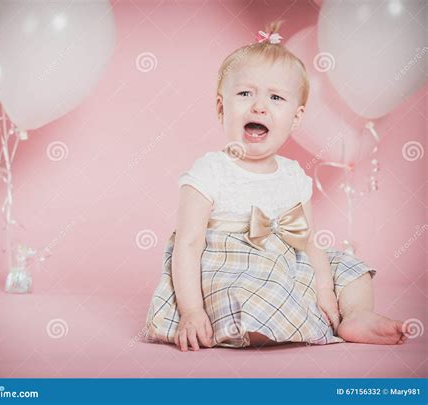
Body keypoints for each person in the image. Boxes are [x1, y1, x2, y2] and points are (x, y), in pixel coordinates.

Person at [145, 20, 410, 351]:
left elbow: (308, 241)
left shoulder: (294, 175)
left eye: (275, 97)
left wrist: (324, 289)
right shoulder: (210, 171)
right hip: (232, 272)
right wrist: (192, 312)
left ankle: (355, 315)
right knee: (246, 296)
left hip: (287, 263)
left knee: (347, 267)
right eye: (245, 93)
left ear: (296, 119)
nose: (259, 106)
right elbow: (187, 244)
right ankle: (259, 325)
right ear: (220, 107)